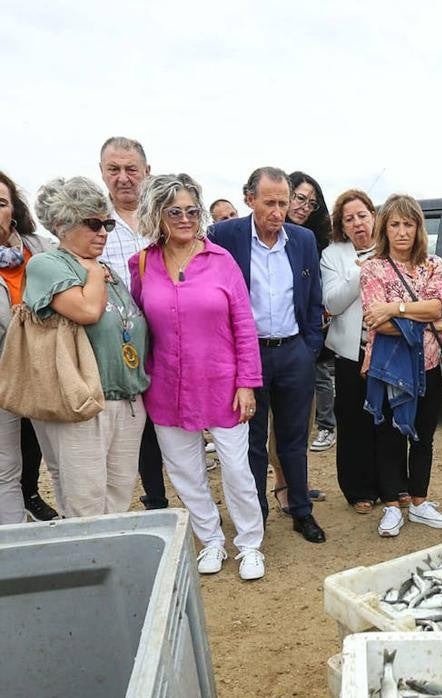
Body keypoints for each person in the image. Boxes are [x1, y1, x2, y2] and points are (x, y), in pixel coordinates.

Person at [129, 173, 266, 580]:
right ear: (158, 214)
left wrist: (247, 383)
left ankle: (249, 544)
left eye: (192, 210)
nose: (186, 219)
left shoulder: (221, 261)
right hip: (167, 387)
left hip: (223, 385)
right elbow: (137, 324)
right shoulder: (141, 263)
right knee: (186, 472)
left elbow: (244, 325)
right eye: (175, 211)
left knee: (238, 470)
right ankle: (211, 540)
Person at [209, 167, 327, 543]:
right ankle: (255, 513)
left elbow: (312, 298)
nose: (278, 211)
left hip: (293, 352)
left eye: (283, 202)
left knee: (294, 439)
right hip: (249, 355)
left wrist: (309, 348)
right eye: (270, 202)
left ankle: (300, 510)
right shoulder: (226, 236)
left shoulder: (304, 239)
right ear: (250, 199)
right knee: (253, 440)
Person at [24, 177, 150, 517]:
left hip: (126, 397)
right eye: (92, 223)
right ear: (62, 224)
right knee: (86, 504)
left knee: (118, 494)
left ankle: (110, 565)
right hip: (82, 402)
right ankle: (90, 567)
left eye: (106, 223)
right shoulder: (48, 264)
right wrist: (93, 271)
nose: (103, 232)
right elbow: (87, 311)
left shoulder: (106, 268)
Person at [359, 194, 442, 536]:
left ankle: (418, 501)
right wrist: (424, 317)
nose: (402, 232)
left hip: (428, 366)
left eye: (408, 224)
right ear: (385, 228)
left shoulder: (434, 264)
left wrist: (396, 309)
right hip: (388, 366)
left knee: (423, 436)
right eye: (395, 224)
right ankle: (392, 505)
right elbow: (375, 320)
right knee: (388, 437)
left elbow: (440, 308)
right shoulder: (372, 267)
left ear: (418, 228)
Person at [98, 137, 169, 512]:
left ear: (147, 172)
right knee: (133, 429)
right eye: (114, 169)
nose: (123, 178)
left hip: (168, 339)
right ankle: (153, 501)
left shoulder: (166, 219)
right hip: (118, 346)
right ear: (102, 173)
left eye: (131, 169)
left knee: (170, 425)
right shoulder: (95, 224)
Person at [0, 171, 57, 524]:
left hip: (47, 370)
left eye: (1, 203)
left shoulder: (41, 248)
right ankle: (14, 543)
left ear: (14, 209)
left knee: (60, 460)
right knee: (5, 466)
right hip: (3, 377)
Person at [322, 190, 381, 513]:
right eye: (349, 219)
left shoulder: (391, 245)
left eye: (362, 215)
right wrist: (363, 271)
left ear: (373, 215)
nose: (357, 223)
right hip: (350, 353)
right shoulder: (333, 255)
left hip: (388, 349)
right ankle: (358, 490)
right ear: (341, 227)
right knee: (353, 422)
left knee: (386, 422)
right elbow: (331, 303)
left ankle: (389, 484)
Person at [287, 172, 336, 454]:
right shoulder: (264, 237)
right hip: (272, 339)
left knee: (302, 412)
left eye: (312, 203)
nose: (305, 207)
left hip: (309, 332)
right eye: (300, 198)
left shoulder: (319, 242)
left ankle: (326, 427)